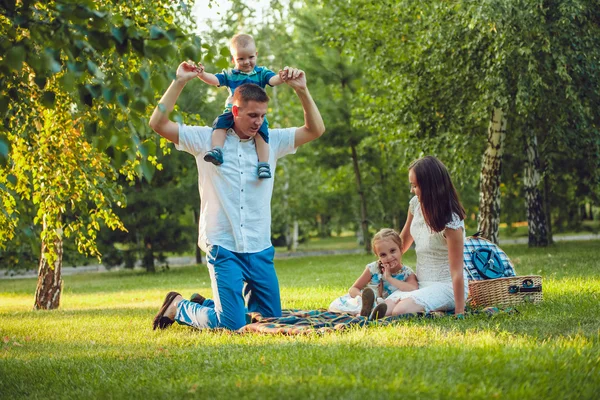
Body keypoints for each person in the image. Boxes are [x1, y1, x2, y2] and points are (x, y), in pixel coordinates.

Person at [148, 61, 325, 331]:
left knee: (268, 321)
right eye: (253, 115)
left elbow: (315, 130)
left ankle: (209, 305)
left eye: (263, 115)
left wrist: (302, 90)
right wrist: (180, 81)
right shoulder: (206, 139)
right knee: (232, 326)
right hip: (223, 243)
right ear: (235, 110)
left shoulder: (271, 142)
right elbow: (158, 123)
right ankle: (179, 305)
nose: (259, 122)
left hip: (259, 245)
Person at [384, 156, 468, 318]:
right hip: (420, 284)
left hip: (447, 286)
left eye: (415, 186)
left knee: (399, 311)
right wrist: (385, 259)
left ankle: (440, 311)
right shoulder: (415, 204)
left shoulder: (451, 221)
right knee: (385, 309)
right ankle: (433, 310)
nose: (412, 190)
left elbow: (457, 272)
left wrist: (460, 312)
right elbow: (402, 244)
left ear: (431, 186)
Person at [195, 33, 284, 179]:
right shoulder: (231, 74)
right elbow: (215, 79)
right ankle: (217, 150)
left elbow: (273, 80)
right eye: (240, 59)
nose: (246, 62)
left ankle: (263, 164)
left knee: (262, 134)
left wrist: (282, 77)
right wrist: (202, 75)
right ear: (233, 59)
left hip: (254, 113)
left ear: (256, 54)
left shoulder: (261, 73)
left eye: (250, 57)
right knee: (219, 125)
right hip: (233, 111)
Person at [328, 228, 418, 319]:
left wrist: (390, 278)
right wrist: (364, 298)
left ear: (401, 249)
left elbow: (413, 288)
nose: (389, 257)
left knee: (382, 308)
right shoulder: (373, 268)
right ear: (378, 256)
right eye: (383, 255)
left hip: (385, 306)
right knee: (338, 305)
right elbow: (353, 288)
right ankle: (362, 313)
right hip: (365, 302)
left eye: (392, 251)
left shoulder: (407, 273)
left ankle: (366, 315)